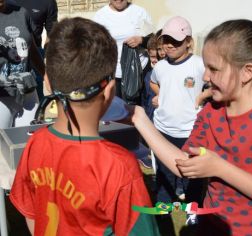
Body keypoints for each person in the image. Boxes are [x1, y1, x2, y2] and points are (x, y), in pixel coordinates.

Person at [130, 19, 252, 235]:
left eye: (213, 69)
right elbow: (184, 165)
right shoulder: (211, 112)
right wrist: (141, 120)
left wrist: (221, 168)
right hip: (210, 227)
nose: (205, 77)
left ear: (247, 72)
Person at [9, 17, 159, 235]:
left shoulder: (34, 144)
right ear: (109, 91)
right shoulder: (120, 168)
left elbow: (31, 214)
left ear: (48, 81)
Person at [149, 16, 206, 207]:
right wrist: (161, 95)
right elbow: (153, 82)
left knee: (192, 172)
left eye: (176, 41)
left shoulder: (199, 64)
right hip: (163, 129)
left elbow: (214, 84)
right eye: (166, 40)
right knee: (164, 171)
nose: (170, 45)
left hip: (191, 130)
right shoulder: (161, 66)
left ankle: (193, 207)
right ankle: (163, 204)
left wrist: (203, 97)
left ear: (188, 42)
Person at [93, 0, 153, 104]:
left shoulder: (140, 12)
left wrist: (141, 40)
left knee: (138, 109)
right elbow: (94, 46)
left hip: (140, 70)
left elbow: (152, 40)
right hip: (113, 72)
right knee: (117, 111)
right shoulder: (100, 16)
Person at [0, 0, 45, 128]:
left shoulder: (21, 12)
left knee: (31, 136)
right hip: (2, 95)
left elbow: (31, 47)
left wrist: (45, 73)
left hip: (27, 91)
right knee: (3, 143)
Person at [14, 0, 58, 101]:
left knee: (37, 99)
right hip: (6, 56)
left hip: (35, 56)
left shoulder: (48, 2)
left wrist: (47, 61)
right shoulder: (5, 2)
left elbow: (52, 34)